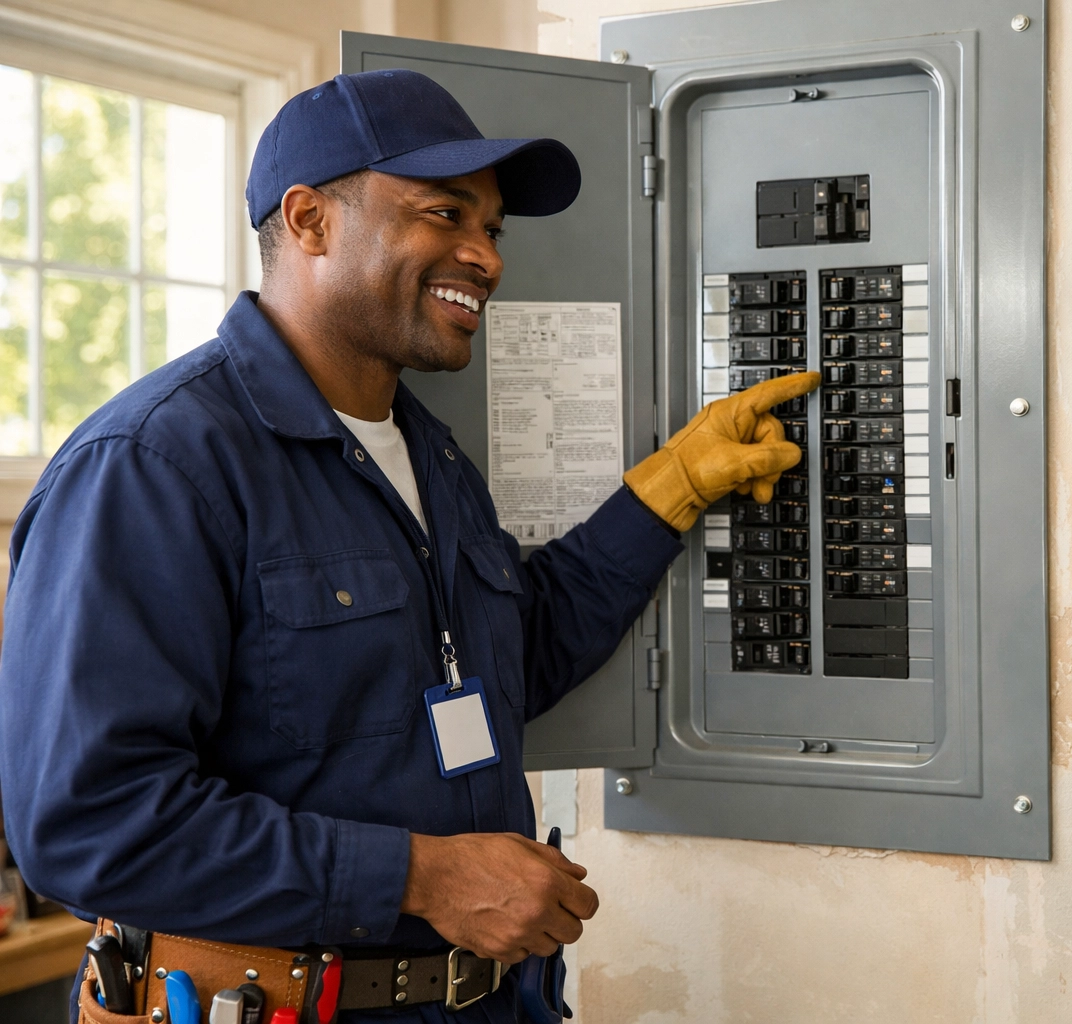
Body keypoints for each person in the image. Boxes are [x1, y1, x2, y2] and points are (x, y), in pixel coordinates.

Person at [0, 69, 817, 1022]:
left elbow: (518, 651)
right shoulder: (154, 465)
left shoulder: (428, 451)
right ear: (308, 221)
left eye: (493, 229)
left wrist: (673, 486)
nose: (486, 257)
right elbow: (88, 824)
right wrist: (420, 878)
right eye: (444, 214)